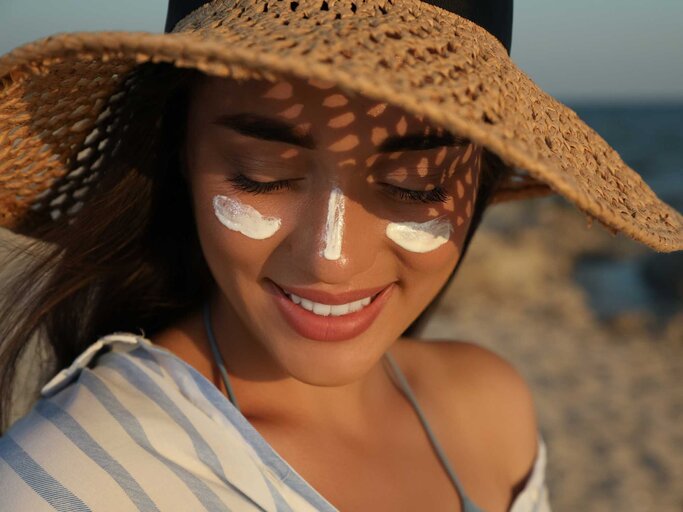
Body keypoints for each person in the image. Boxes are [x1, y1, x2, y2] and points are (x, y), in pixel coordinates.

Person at [0, 1, 680, 511]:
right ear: (180, 153)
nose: (330, 257)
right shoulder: (73, 479)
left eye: (416, 185)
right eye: (260, 173)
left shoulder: (492, 412)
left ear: (484, 177)